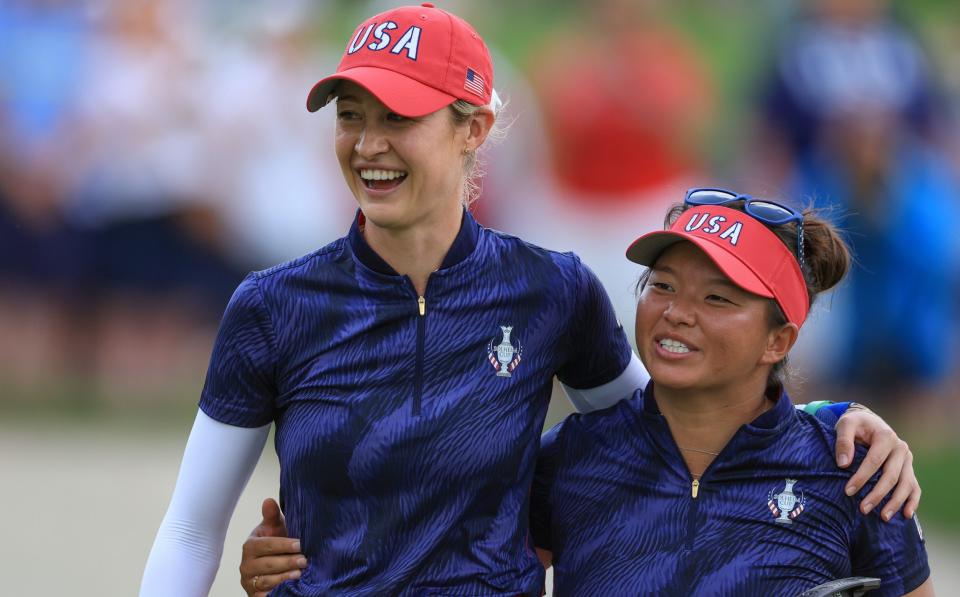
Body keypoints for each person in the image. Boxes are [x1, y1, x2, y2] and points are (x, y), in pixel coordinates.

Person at [140, 5, 917, 596]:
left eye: (399, 118)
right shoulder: (273, 305)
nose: (368, 144)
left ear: (471, 127)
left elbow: (667, 423)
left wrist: (823, 424)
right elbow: (188, 529)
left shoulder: (551, 291)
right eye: (351, 116)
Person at [528, 189, 931, 595]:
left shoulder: (854, 475)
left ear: (778, 341)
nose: (677, 313)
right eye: (663, 285)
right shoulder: (570, 456)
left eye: (716, 298)